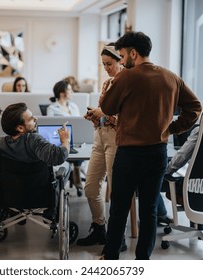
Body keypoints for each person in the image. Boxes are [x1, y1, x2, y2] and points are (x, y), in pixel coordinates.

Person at [100, 31, 202, 260]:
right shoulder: (170, 77)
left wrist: (114, 82)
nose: (122, 59)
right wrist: (172, 128)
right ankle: (143, 261)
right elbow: (195, 107)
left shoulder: (126, 76)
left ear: (133, 53)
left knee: (119, 209)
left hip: (129, 154)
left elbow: (107, 108)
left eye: (122, 54)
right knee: (149, 211)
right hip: (158, 153)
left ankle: (111, 257)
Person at [0, 102, 71, 224]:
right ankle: (51, 212)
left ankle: (14, 211)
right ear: (20, 128)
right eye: (31, 119)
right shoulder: (36, 141)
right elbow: (59, 156)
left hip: (10, 196)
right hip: (40, 195)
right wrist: (65, 140)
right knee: (66, 167)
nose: (36, 119)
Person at [76, 43, 122, 247]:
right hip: (99, 137)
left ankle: (116, 237)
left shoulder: (128, 84)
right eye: (103, 64)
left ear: (121, 60)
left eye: (110, 64)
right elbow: (105, 111)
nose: (106, 68)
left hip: (116, 140)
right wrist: (95, 116)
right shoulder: (106, 84)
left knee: (116, 191)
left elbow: (127, 120)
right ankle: (99, 228)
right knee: (91, 188)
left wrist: (103, 114)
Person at [162, 95, 203, 230]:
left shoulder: (200, 131)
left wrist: (166, 172)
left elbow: (181, 157)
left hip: (196, 192)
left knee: (157, 179)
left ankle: (160, 216)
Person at [47, 80, 83, 193]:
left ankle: (76, 175)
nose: (72, 91)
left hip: (76, 141)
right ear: (62, 93)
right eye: (69, 89)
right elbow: (50, 129)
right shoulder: (52, 108)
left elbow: (79, 125)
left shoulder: (74, 106)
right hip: (60, 141)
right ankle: (76, 179)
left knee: (80, 152)